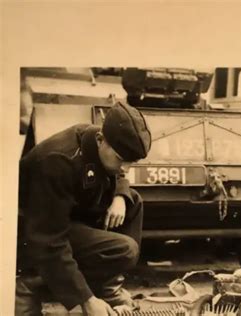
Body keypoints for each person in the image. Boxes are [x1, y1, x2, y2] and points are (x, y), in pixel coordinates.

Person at [15, 102, 152, 315]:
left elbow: (118, 172)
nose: (125, 168)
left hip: (65, 216)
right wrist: (86, 300)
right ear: (100, 140)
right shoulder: (58, 161)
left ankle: (105, 288)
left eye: (131, 162)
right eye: (121, 160)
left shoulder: (100, 140)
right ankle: (31, 283)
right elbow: (49, 239)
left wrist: (120, 196)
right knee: (124, 249)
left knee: (133, 202)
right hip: (31, 233)